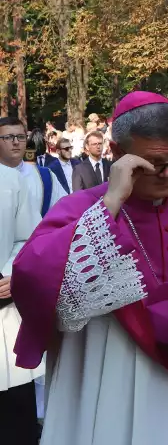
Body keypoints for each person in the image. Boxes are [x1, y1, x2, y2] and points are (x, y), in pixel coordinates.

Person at [11, 91, 168, 445]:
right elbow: (33, 279)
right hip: (104, 374)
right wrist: (111, 202)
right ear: (117, 153)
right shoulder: (81, 208)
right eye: (152, 164)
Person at [0, 165, 42, 445]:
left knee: (13, 415)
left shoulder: (9, 179)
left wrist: (11, 274)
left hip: (3, 306)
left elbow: (28, 237)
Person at [0, 117, 67, 218]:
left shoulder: (45, 177)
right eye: (8, 137)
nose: (16, 142)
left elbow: (63, 211)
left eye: (21, 137)